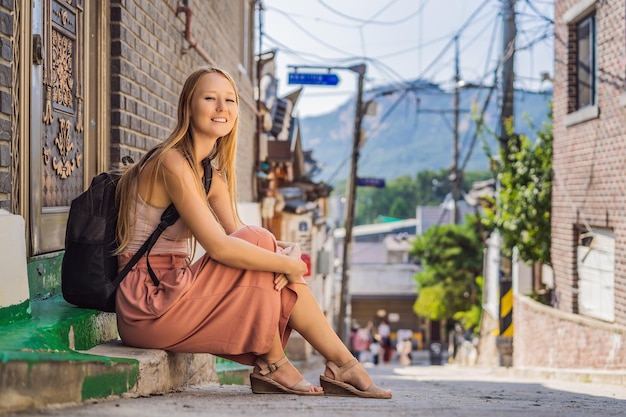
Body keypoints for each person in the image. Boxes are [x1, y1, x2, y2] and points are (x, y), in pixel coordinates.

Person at [113, 66, 391, 399]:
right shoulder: (170, 162)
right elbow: (221, 247)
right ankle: (275, 364)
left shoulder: (210, 176)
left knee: (263, 242)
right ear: (188, 106)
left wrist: (283, 251)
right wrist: (289, 264)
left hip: (176, 290)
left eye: (229, 100)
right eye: (210, 98)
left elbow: (241, 233)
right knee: (261, 246)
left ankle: (342, 363)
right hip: (146, 306)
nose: (222, 108)